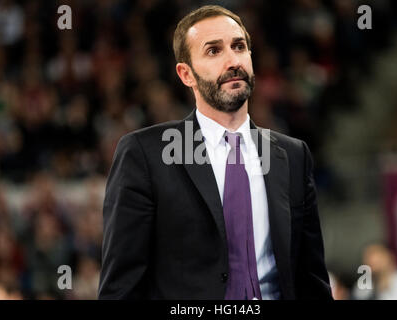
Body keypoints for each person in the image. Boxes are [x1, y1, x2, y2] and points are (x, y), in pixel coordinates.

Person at [98, 5, 332, 300]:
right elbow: (121, 288)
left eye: (239, 46)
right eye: (213, 51)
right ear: (186, 75)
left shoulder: (293, 156)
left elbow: (312, 281)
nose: (233, 60)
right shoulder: (145, 154)